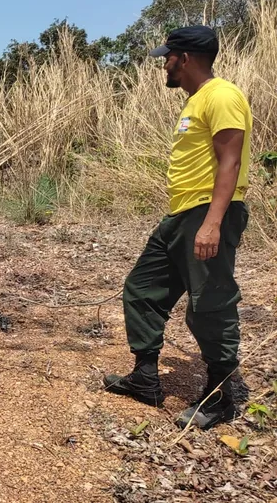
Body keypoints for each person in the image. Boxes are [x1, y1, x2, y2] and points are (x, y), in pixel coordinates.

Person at [102, 25, 252, 430]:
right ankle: (146, 379)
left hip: (207, 213)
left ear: (184, 59)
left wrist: (212, 224)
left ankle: (221, 396)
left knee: (210, 304)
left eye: (167, 57)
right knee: (142, 287)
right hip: (181, 214)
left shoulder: (221, 96)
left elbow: (230, 162)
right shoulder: (197, 100)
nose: (163, 64)